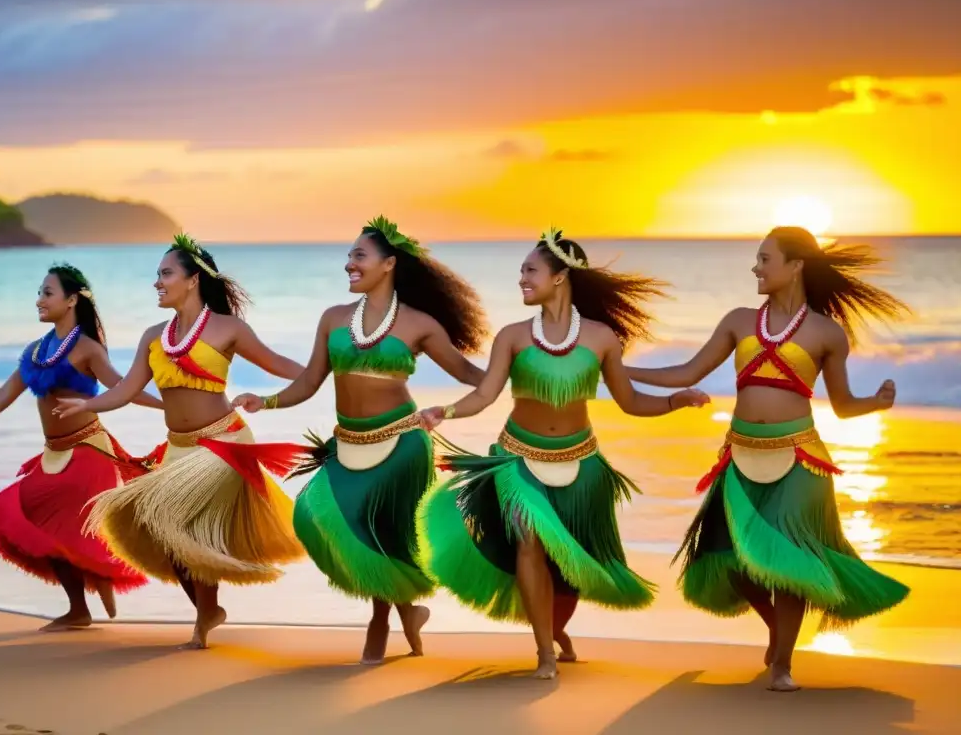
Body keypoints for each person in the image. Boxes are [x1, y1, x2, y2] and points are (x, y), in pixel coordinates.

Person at [624, 226, 911, 692]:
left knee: (791, 564)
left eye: (764, 259)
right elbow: (688, 370)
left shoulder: (826, 333)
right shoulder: (739, 320)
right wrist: (620, 368)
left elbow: (842, 404)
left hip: (800, 459)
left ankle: (782, 664)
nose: (755, 268)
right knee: (736, 562)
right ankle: (780, 634)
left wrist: (876, 403)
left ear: (795, 265)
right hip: (739, 457)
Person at [416, 229, 709, 679]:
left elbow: (630, 401)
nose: (521, 279)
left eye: (530, 270)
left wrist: (675, 401)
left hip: (580, 462)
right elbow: (486, 394)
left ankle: (555, 630)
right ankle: (544, 654)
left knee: (568, 563)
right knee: (529, 544)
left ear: (559, 277)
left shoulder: (602, 338)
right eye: (521, 271)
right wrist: (446, 411)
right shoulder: (513, 337)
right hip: (517, 461)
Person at [232, 216, 488, 664]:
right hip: (347, 442)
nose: (348, 264)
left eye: (358, 256)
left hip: (402, 443)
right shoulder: (333, 319)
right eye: (349, 256)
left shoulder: (419, 324)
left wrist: (519, 369)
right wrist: (266, 401)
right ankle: (410, 611)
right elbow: (310, 381)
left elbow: (472, 375)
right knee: (314, 514)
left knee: (383, 535)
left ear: (388, 264)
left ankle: (380, 621)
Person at [55, 234, 307, 649]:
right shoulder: (154, 336)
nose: (157, 281)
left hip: (224, 443)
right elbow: (126, 390)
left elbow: (277, 362)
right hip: (179, 446)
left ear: (192, 280)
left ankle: (207, 613)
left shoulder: (229, 328)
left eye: (166, 273)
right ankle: (208, 610)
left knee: (184, 528)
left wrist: (322, 371)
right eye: (157, 274)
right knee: (166, 536)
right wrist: (87, 405)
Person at [0, 264, 163, 631]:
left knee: (69, 531)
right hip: (53, 453)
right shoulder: (36, 351)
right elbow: (2, 396)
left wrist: (169, 406)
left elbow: (123, 388)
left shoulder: (88, 348)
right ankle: (79, 608)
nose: (39, 300)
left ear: (71, 299)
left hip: (90, 451)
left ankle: (98, 580)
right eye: (40, 293)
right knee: (22, 514)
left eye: (47, 293)